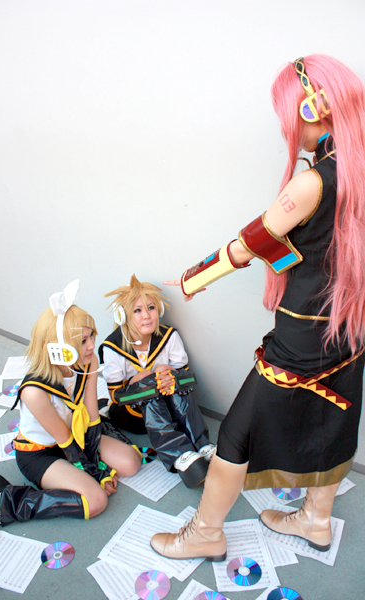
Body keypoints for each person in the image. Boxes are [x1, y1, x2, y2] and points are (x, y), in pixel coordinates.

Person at [150, 55, 365, 561]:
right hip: (350, 326)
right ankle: (315, 520)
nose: (285, 127)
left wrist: (191, 279)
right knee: (334, 415)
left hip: (305, 333)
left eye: (287, 113)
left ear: (313, 108)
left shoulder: (313, 182)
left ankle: (206, 532)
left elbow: (249, 245)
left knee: (237, 429)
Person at [0, 280, 141, 548]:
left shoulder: (89, 361)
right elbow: (65, 442)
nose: (91, 345)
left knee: (131, 463)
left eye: (91, 336)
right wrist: (97, 473)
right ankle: (8, 502)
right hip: (40, 453)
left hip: (76, 435)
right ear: (59, 346)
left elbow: (92, 417)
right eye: (82, 341)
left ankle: (77, 475)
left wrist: (97, 464)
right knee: (95, 501)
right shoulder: (34, 391)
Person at [98, 274, 215, 488]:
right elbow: (115, 396)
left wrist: (171, 376)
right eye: (137, 310)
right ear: (123, 316)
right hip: (133, 415)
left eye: (151, 308)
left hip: (171, 409)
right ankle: (179, 454)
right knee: (150, 382)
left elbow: (188, 378)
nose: (147, 316)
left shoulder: (168, 336)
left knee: (171, 377)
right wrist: (138, 380)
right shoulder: (112, 347)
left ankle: (202, 444)